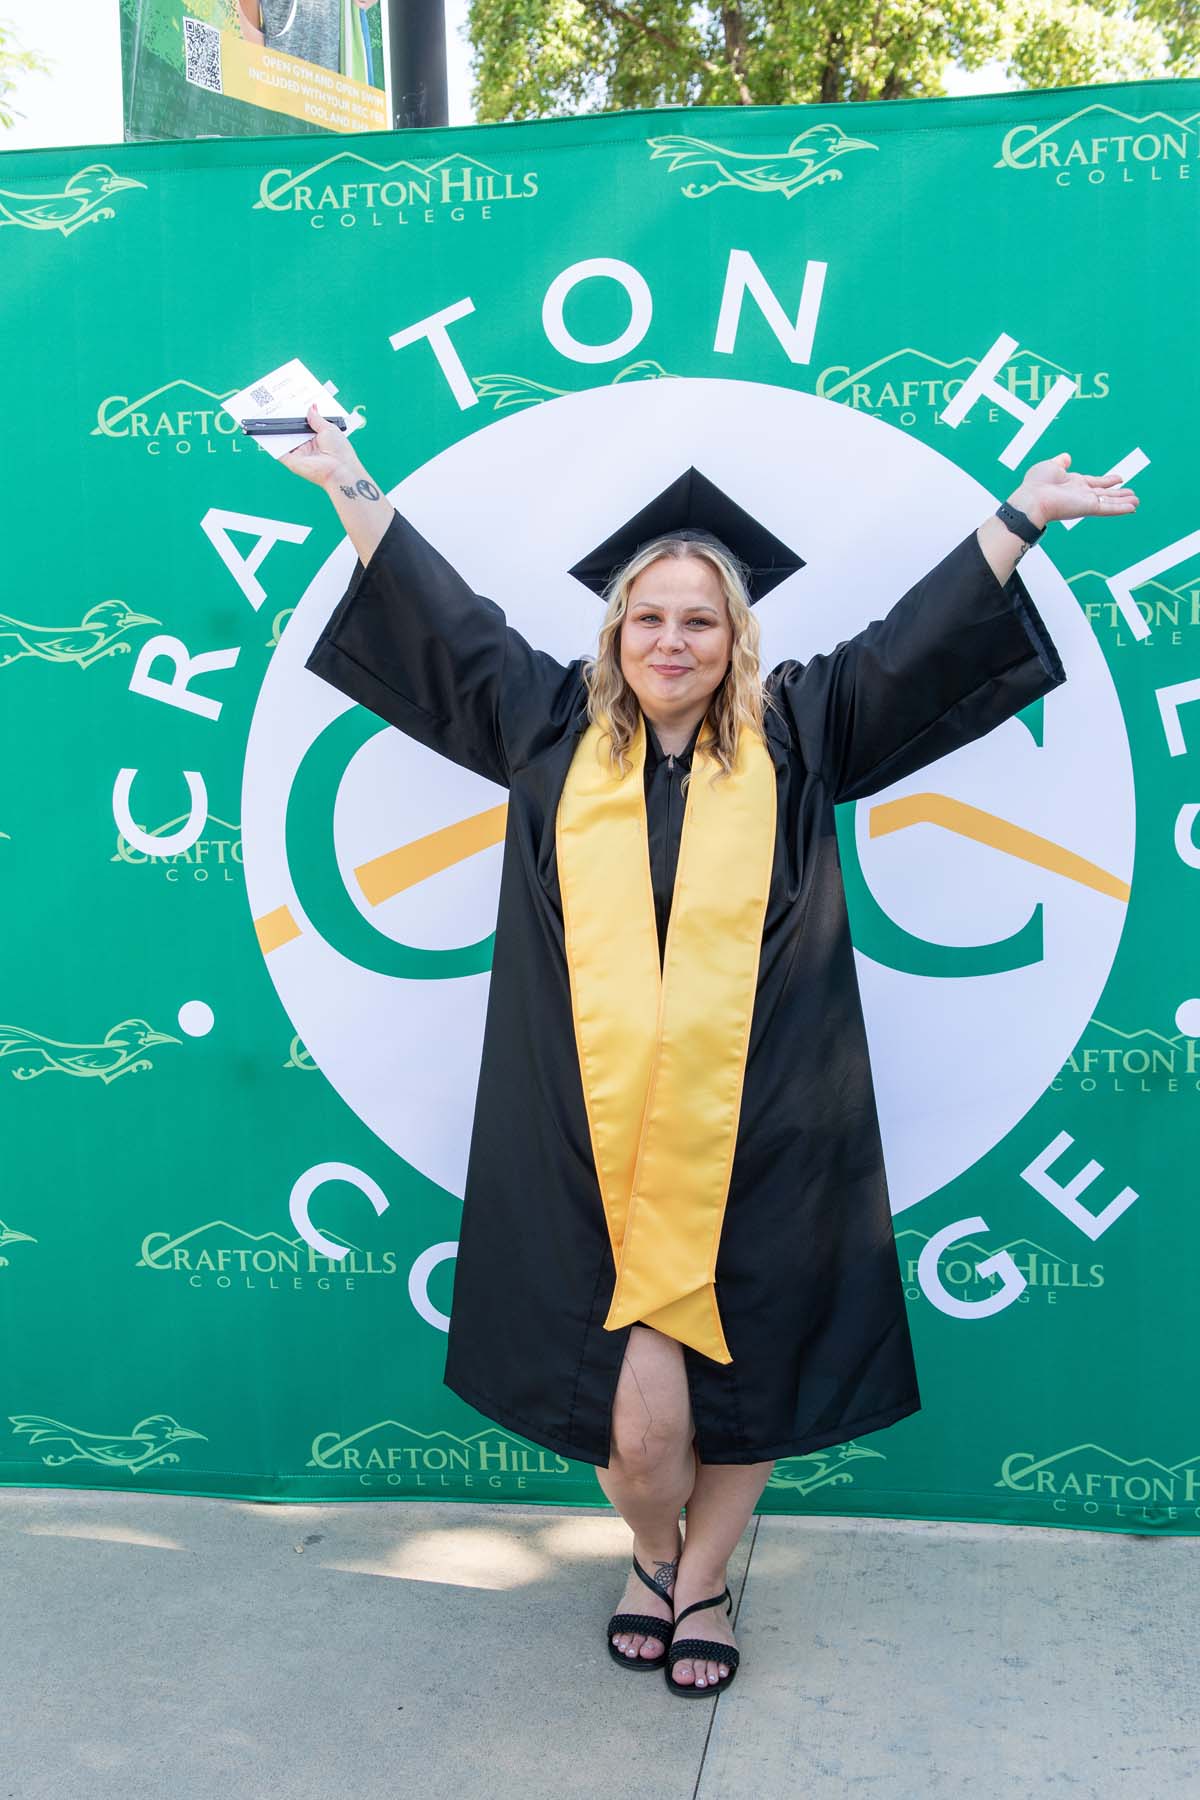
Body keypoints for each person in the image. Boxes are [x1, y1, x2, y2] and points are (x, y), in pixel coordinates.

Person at [280, 403, 1137, 1696]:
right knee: (637, 1419)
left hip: (768, 1125)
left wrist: (1016, 521)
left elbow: (910, 651)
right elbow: (440, 619)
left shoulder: (796, 733)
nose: (671, 639)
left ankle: (698, 1578)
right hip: (589, 1133)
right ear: (616, 631)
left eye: (699, 618)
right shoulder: (550, 729)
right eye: (649, 616)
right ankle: (646, 1545)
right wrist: (348, 480)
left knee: (759, 1378)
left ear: (737, 636)